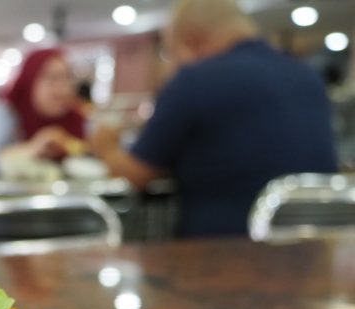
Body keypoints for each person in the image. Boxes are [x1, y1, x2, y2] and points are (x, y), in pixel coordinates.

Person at [90, 0, 338, 237]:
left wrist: (105, 146)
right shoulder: (309, 77)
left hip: (222, 258)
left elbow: (136, 174)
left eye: (172, 53)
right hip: (314, 256)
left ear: (192, 41)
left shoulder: (194, 81)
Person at [0, 48, 86, 183]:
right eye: (52, 79)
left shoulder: (77, 118)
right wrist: (31, 148)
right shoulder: (6, 114)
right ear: (29, 80)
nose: (63, 89)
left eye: (67, 78)